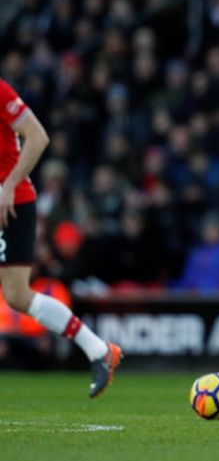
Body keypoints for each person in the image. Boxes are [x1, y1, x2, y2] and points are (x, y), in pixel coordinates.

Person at [0, 78, 121, 397]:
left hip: (12, 203)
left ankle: (98, 350)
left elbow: (37, 137)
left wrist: (9, 186)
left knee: (16, 295)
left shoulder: (0, 91)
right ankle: (99, 350)